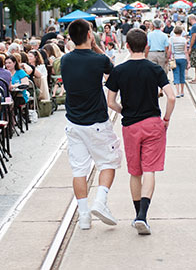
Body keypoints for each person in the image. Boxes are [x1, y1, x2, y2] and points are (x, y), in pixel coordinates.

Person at [106, 28, 175, 236]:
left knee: (135, 172)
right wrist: (166, 118)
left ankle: (138, 215)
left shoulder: (119, 70)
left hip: (131, 126)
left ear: (127, 46)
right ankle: (143, 216)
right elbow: (171, 97)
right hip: (153, 123)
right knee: (150, 170)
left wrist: (123, 110)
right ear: (147, 47)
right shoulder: (154, 69)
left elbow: (110, 102)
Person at [59, 18, 120, 230]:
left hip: (73, 123)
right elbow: (113, 70)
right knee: (108, 163)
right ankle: (100, 202)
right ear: (89, 35)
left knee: (79, 170)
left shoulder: (65, 60)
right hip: (96, 121)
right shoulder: (97, 60)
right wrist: (97, 47)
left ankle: (83, 216)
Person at [169, 26, 188, 98]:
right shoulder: (184, 40)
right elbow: (185, 51)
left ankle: (177, 92)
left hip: (175, 58)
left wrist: (168, 58)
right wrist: (188, 61)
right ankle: (182, 91)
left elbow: (170, 50)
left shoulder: (171, 39)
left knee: (176, 74)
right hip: (183, 58)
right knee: (182, 74)